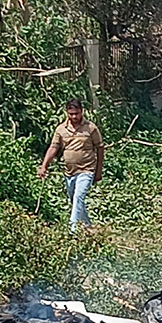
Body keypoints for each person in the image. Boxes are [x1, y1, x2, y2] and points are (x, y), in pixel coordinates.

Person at [37, 98, 105, 232]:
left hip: (86, 170)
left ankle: (72, 230)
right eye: (71, 114)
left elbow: (100, 148)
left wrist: (98, 171)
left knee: (79, 197)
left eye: (77, 113)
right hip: (69, 172)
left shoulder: (91, 128)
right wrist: (44, 166)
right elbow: (53, 148)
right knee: (75, 200)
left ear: (82, 111)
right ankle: (88, 227)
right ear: (66, 113)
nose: (74, 117)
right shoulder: (61, 129)